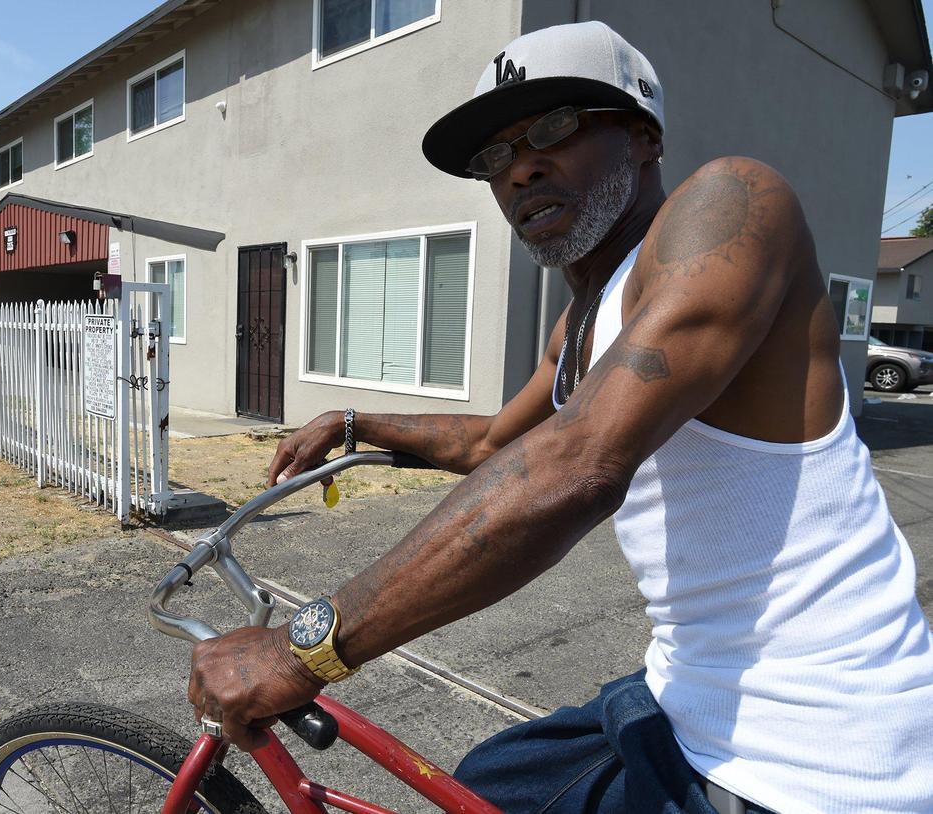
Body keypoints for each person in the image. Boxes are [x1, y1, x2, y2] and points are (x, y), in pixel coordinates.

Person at [189, 21, 933, 813]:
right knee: (480, 785)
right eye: (494, 158)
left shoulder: (731, 207)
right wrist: (358, 421)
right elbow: (494, 443)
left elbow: (576, 462)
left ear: (643, 137)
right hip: (683, 694)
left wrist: (303, 650)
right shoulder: (581, 321)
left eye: (553, 128)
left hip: (807, 758)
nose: (520, 169)